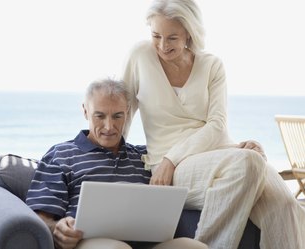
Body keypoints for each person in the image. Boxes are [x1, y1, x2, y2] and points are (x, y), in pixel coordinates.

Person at [120, 0, 305, 248]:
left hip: (218, 155)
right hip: (171, 166)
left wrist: (232, 151)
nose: (163, 46)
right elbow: (124, 111)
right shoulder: (140, 56)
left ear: (189, 32)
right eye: (156, 36)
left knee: (285, 205)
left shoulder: (212, 65)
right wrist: (113, 157)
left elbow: (217, 124)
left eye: (172, 38)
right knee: (250, 162)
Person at [25, 78, 208, 249]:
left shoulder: (146, 155)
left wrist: (229, 147)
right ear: (85, 111)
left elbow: (191, 150)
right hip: (87, 242)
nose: (109, 127)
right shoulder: (60, 154)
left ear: (127, 113)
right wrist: (57, 227)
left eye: (117, 116)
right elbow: (41, 218)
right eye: (100, 116)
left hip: (147, 243)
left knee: (193, 246)